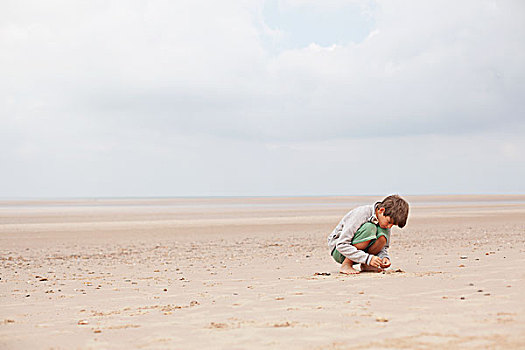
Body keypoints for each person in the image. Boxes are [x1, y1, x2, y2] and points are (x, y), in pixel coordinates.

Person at [327, 195, 409, 274]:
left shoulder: (384, 223)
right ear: (381, 210)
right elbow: (341, 244)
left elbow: (383, 247)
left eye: (393, 225)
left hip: (360, 255)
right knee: (370, 227)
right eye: (389, 222)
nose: (389, 226)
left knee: (382, 233)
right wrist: (368, 259)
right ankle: (347, 264)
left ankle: (366, 266)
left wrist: (383, 258)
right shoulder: (361, 214)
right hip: (340, 251)